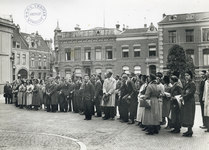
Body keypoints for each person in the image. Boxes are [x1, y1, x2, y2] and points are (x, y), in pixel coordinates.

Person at [180, 71, 196, 137]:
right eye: (185, 75)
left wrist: (184, 97)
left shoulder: (192, 83)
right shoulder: (187, 83)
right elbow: (184, 91)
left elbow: (191, 93)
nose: (186, 77)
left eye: (188, 75)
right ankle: (189, 130)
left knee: (189, 115)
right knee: (187, 115)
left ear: (190, 76)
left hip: (190, 101)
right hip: (187, 101)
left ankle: (190, 130)